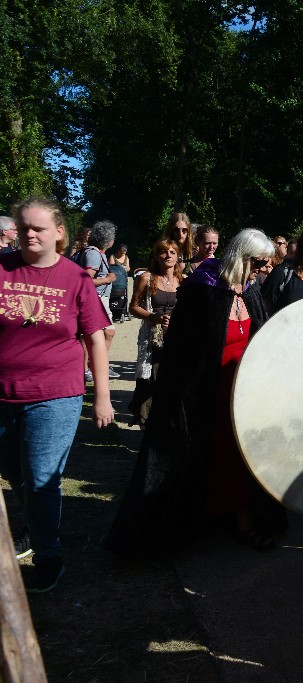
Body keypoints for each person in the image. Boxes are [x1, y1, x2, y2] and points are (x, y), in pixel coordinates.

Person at [105, 229, 284, 555]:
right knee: (209, 458)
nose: (261, 269)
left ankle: (245, 522)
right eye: (257, 263)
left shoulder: (251, 290)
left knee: (244, 459)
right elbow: (182, 351)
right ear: (242, 257)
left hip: (243, 394)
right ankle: (208, 523)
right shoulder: (203, 289)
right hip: (205, 395)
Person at [0, 196, 114, 592]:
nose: (30, 234)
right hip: (3, 394)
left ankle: (49, 558)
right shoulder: (1, 270)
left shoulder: (76, 278)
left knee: (41, 477)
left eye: (40, 228)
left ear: (59, 233)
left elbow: (96, 340)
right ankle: (35, 526)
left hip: (56, 395)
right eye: (25, 227)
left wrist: (102, 397)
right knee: (14, 474)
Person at [127, 239, 183, 427]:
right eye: (164, 252)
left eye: (172, 252)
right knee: (150, 379)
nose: (168, 256)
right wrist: (152, 316)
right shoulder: (147, 278)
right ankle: (146, 420)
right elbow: (133, 307)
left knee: (171, 380)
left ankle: (165, 421)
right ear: (157, 256)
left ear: (177, 256)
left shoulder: (181, 280)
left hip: (174, 338)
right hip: (152, 338)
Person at [81, 221, 119, 376]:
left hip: (100, 299)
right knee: (90, 335)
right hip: (95, 299)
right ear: (108, 239)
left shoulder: (98, 253)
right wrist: (107, 279)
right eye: (113, 237)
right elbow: (84, 280)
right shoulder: (94, 254)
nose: (114, 240)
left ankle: (96, 364)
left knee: (108, 332)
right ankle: (86, 369)